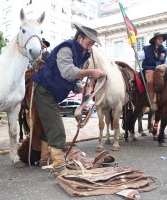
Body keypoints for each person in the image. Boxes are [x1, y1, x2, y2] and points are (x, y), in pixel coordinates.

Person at [31, 23, 105, 177]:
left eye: (92, 44)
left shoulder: (83, 54)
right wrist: (91, 71)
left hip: (53, 93)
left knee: (48, 127)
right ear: (79, 37)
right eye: (89, 42)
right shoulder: (67, 48)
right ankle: (58, 167)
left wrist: (77, 86)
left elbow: (74, 77)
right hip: (45, 90)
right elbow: (68, 72)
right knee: (57, 128)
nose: (90, 46)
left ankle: (45, 160)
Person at [141, 32, 167, 110]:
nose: (161, 40)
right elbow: (140, 57)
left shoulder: (165, 50)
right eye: (159, 39)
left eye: (162, 39)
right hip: (149, 68)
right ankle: (152, 101)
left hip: (160, 69)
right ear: (155, 40)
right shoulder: (146, 48)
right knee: (150, 81)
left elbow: (165, 61)